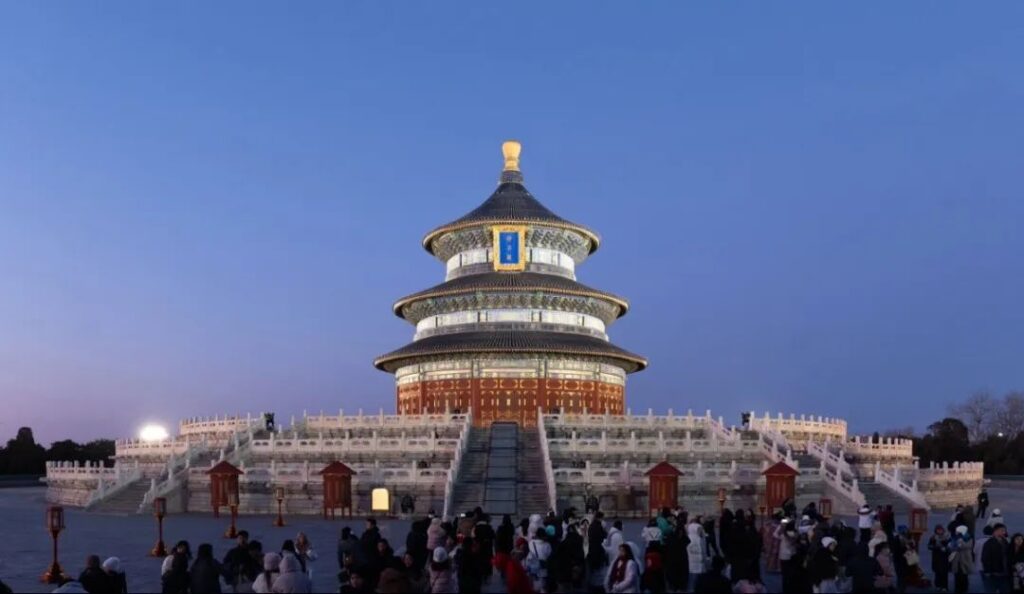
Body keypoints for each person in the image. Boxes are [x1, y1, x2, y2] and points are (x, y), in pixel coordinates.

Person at [982, 523, 1011, 594]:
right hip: (994, 573)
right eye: (1002, 530)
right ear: (995, 531)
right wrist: (988, 571)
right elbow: (985, 558)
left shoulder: (1005, 541)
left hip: (1005, 572)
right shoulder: (989, 543)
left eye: (1004, 531)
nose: (1004, 532)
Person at [950, 525, 975, 594]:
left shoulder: (968, 538)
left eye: (957, 531)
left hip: (964, 559)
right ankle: (957, 589)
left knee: (964, 575)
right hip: (956, 559)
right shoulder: (955, 538)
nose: (956, 532)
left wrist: (960, 542)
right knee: (957, 575)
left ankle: (964, 589)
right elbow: (952, 545)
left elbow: (967, 546)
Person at [928, 524, 952, 593]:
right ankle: (938, 585)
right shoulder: (933, 537)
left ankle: (944, 586)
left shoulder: (947, 537)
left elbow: (950, 546)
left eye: (940, 530)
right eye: (938, 530)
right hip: (936, 557)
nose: (939, 531)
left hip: (944, 558)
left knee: (944, 573)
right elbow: (929, 546)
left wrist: (946, 548)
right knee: (937, 572)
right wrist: (936, 547)